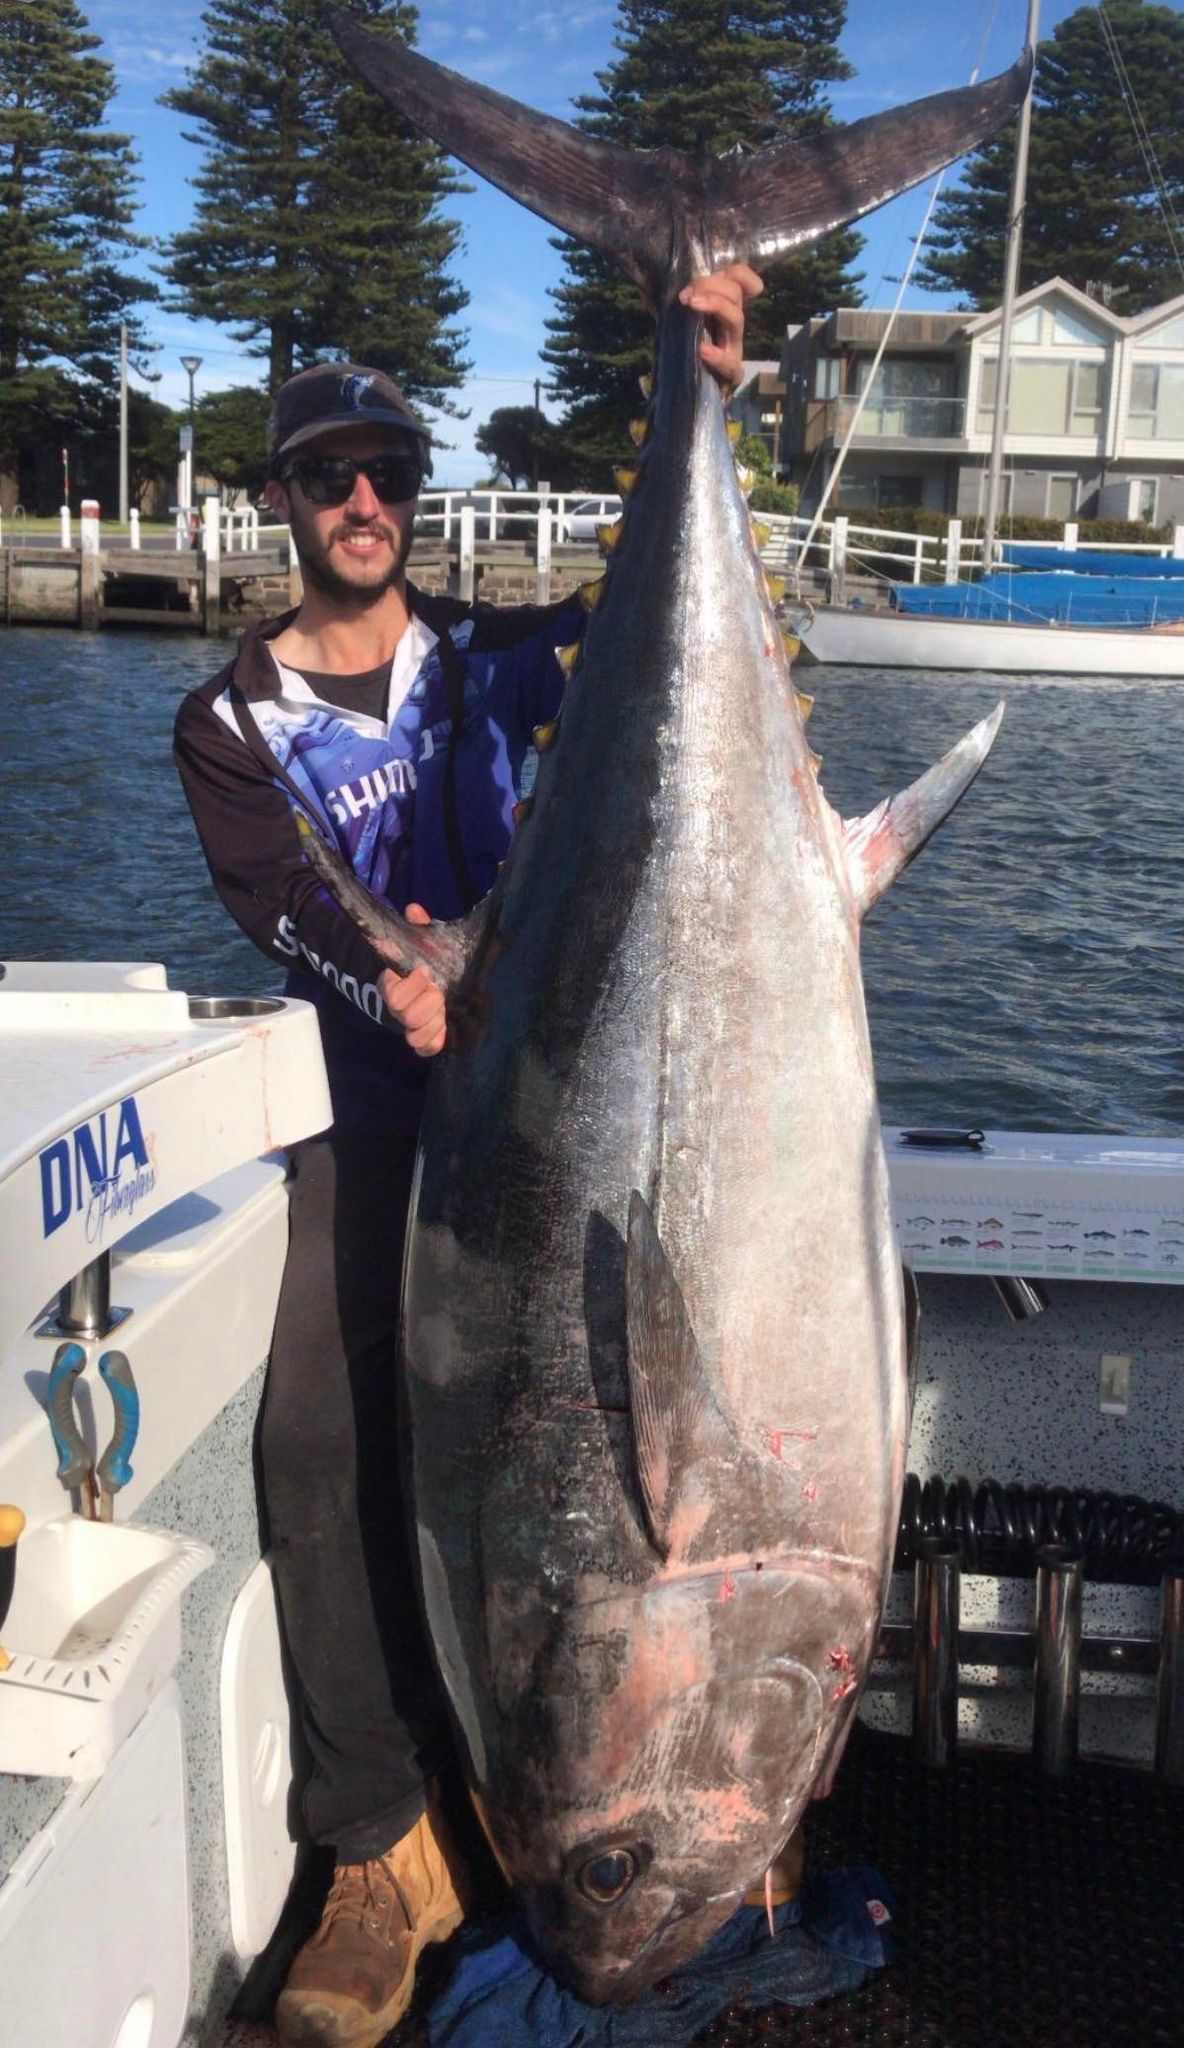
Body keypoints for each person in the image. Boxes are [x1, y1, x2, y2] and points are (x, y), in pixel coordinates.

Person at [174, 262, 761, 2048]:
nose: (364, 503)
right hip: (374, 1117)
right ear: (279, 498)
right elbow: (282, 902)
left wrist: (710, 380)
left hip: (563, 1109)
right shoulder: (227, 723)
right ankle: (376, 1841)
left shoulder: (507, 660)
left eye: (390, 475)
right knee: (318, 1430)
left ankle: (653, 1772)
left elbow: (664, 634)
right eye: (329, 474)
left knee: (644, 1420)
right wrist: (395, 980)